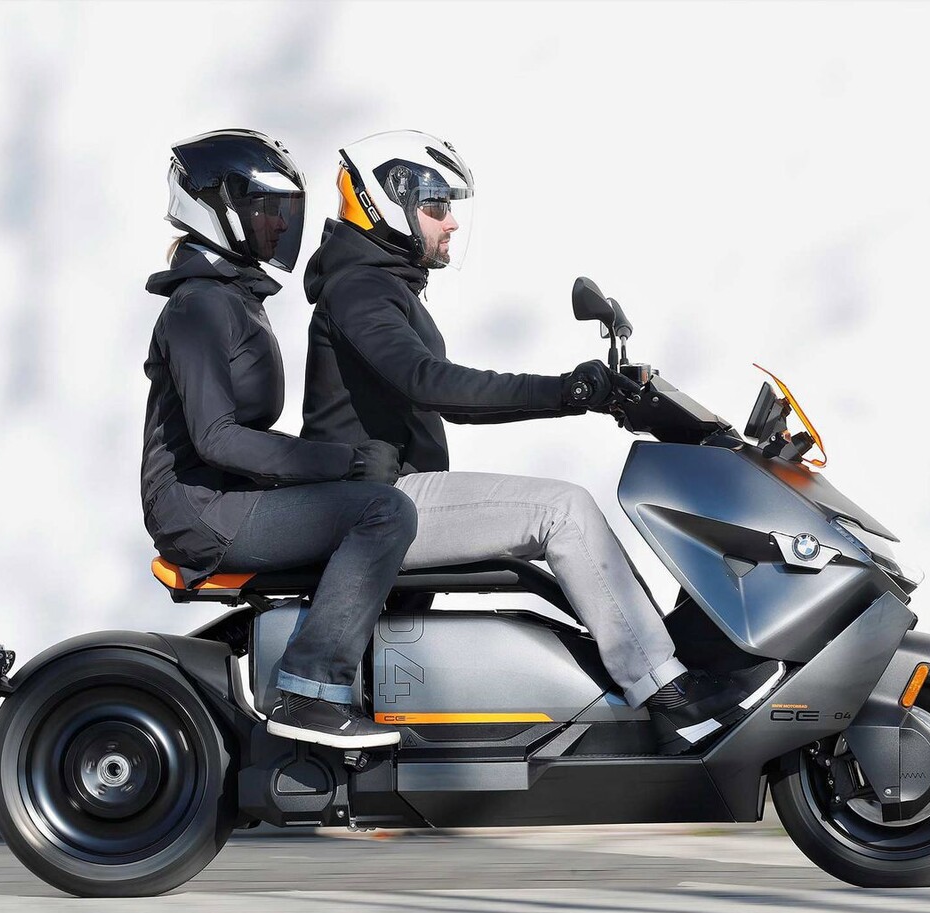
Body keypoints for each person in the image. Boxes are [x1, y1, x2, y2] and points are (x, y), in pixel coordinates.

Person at [300, 130, 785, 753]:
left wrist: (577, 397)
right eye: (437, 206)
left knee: (561, 516)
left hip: (390, 492)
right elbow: (429, 382)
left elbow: (444, 398)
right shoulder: (360, 288)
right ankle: (668, 692)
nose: (451, 223)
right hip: (375, 499)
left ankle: (654, 669)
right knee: (563, 511)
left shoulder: (379, 285)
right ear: (388, 203)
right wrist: (566, 391)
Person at [142, 129, 417, 749]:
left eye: (284, 210)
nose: (279, 224)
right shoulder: (198, 307)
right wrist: (345, 463)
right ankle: (309, 692)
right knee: (382, 512)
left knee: (378, 502)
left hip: (229, 499)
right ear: (218, 209)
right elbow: (217, 439)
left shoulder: (233, 298)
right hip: (201, 512)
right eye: (266, 208)